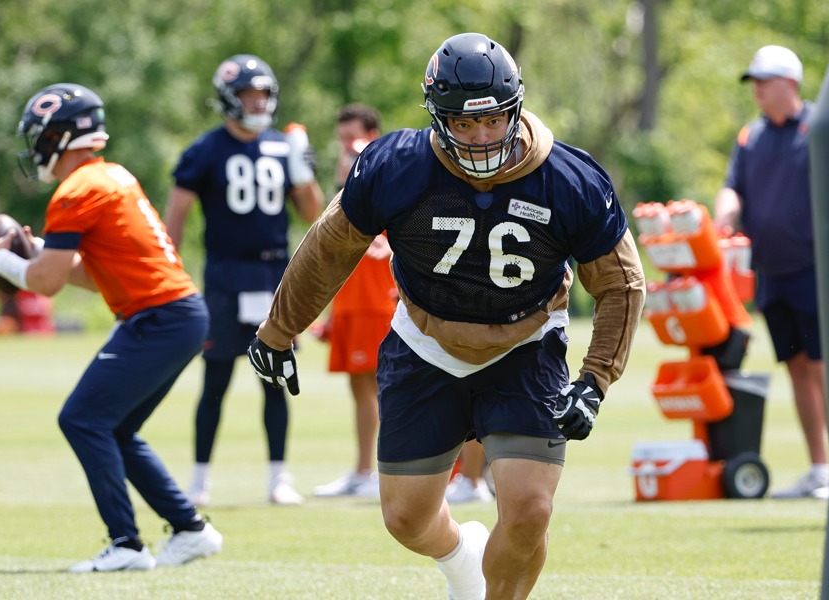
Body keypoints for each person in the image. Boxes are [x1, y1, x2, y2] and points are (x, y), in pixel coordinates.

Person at [247, 32, 645, 599]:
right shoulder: (396, 164)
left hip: (525, 344)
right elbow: (329, 247)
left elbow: (621, 283)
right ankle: (461, 556)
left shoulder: (568, 178)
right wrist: (279, 330)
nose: (480, 137)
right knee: (406, 519)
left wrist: (595, 378)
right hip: (424, 342)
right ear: (437, 117)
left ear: (515, 109)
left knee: (530, 510)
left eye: (491, 121)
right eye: (463, 123)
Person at [0, 83, 222, 572]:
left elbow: (44, 283)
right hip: (176, 313)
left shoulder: (77, 188)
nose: (35, 148)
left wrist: (0, 259)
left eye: (39, 136)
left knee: (82, 418)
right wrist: (45, 249)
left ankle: (127, 544)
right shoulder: (111, 177)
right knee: (118, 428)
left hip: (159, 317)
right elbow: (91, 273)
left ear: (58, 137)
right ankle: (191, 530)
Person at [164, 54, 324, 507]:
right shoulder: (205, 150)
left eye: (262, 94)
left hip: (274, 275)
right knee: (214, 379)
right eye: (248, 95)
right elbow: (174, 218)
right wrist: (169, 271)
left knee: (275, 378)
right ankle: (199, 480)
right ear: (229, 100)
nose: (257, 102)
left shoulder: (281, 146)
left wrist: (304, 170)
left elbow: (314, 214)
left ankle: (279, 477)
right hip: (225, 273)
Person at [712, 45, 829, 500]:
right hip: (773, 274)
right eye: (755, 82)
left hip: (817, 270)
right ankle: (820, 469)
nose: (758, 90)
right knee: (799, 369)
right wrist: (724, 219)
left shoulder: (820, 127)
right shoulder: (751, 137)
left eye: (766, 81)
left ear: (791, 83)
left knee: (822, 370)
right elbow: (733, 190)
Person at [312, 103, 397, 499]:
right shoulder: (349, 178)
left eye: (354, 138)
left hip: (376, 302)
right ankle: (363, 471)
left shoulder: (387, 175)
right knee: (359, 391)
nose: (347, 146)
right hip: (350, 302)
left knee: (379, 391)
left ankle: (379, 473)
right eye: (343, 139)